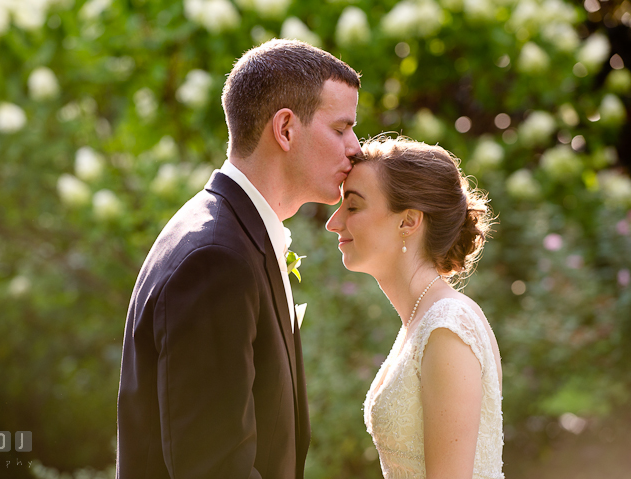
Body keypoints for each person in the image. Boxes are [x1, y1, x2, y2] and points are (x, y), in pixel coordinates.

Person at [116, 39, 362, 479]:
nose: (356, 147)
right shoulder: (215, 259)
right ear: (285, 129)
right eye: (341, 128)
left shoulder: (232, 236)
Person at [326, 136, 504, 479]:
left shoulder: (447, 326)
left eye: (353, 206)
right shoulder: (421, 321)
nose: (333, 223)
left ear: (408, 222)